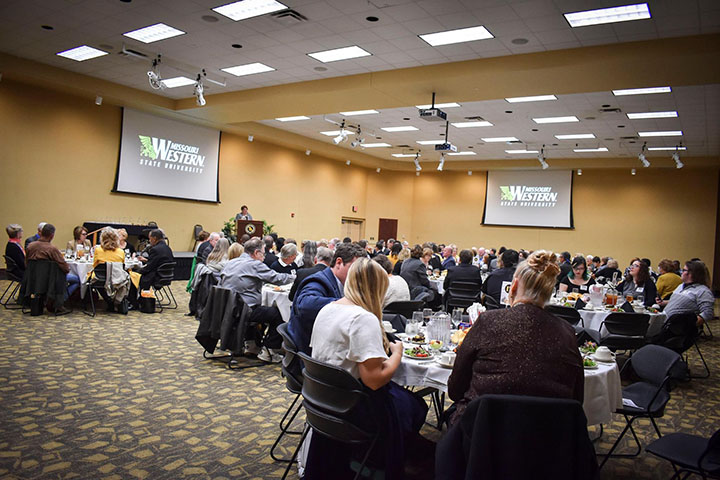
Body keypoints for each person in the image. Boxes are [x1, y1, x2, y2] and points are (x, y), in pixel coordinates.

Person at [306, 258, 427, 479]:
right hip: (352, 406)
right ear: (377, 289)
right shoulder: (363, 318)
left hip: (323, 398)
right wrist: (397, 353)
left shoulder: (327, 309)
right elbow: (374, 380)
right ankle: (381, 464)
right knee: (415, 405)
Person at [447, 250, 583, 426]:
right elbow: (577, 398)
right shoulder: (567, 332)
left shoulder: (488, 321)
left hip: (483, 431)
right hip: (550, 434)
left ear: (514, 286)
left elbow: (455, 389)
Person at [220, 237, 294, 362]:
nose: (264, 257)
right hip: (243, 310)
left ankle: (251, 344)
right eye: (263, 254)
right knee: (279, 313)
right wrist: (296, 277)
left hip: (228, 309)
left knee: (260, 308)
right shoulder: (254, 264)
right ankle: (269, 350)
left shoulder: (230, 263)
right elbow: (277, 278)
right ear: (256, 253)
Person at [287, 242, 366, 355]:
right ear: (339, 262)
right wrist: (345, 303)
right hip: (311, 351)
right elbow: (305, 305)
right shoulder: (319, 281)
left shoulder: (342, 283)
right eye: (355, 269)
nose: (358, 274)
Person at [25, 223, 80, 305]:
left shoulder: (30, 246)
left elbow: (26, 262)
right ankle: (60, 301)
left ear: (41, 233)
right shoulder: (52, 249)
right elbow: (65, 267)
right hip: (50, 279)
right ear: (52, 235)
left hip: (32, 277)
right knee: (77, 280)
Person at [92, 227, 139, 312]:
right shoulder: (121, 251)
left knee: (95, 280)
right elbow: (123, 265)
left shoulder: (98, 250)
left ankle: (109, 301)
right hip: (117, 279)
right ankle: (116, 301)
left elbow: (95, 265)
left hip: (101, 277)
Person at [657, 260, 714, 327]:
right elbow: (681, 302)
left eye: (684, 270)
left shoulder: (703, 291)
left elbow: (707, 313)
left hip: (676, 328)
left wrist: (688, 327)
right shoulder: (681, 286)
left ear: (692, 273)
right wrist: (664, 302)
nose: (681, 272)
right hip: (664, 322)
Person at [136, 229, 174, 297]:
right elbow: (159, 262)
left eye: (150, 238)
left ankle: (137, 300)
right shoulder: (167, 248)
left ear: (154, 238)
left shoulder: (155, 249)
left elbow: (149, 268)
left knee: (134, 276)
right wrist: (147, 260)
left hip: (156, 276)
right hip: (166, 275)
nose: (149, 241)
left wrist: (137, 271)